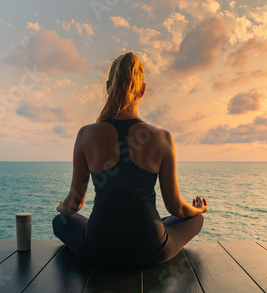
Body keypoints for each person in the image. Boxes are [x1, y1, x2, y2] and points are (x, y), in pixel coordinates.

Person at [52, 52, 207, 268]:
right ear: (142, 90)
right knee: (195, 220)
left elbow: (74, 204)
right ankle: (150, 226)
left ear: (108, 86)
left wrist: (62, 207)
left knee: (60, 222)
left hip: (97, 249)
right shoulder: (162, 137)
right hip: (151, 250)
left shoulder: (86, 134)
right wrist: (198, 209)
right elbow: (176, 208)